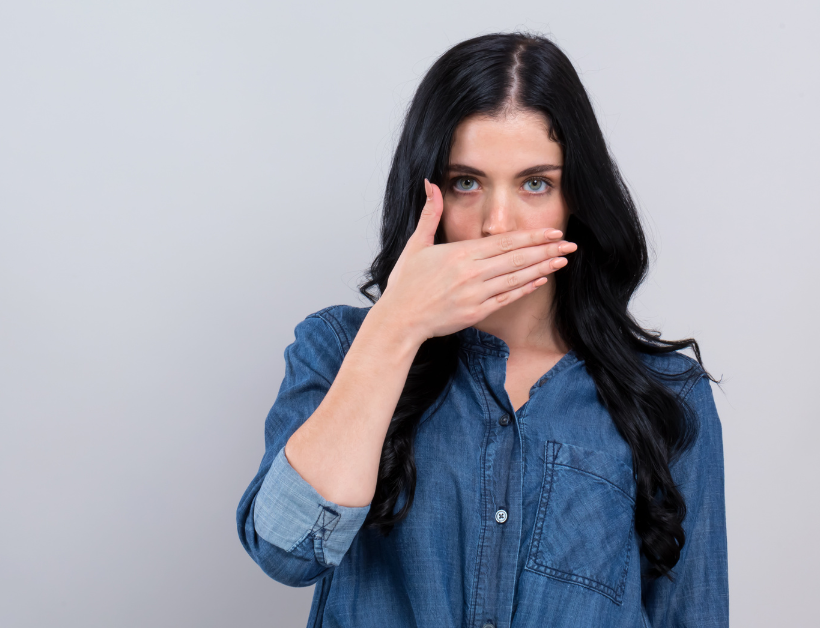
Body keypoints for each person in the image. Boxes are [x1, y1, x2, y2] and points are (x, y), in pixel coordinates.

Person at [236, 32, 728, 628]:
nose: (499, 224)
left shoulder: (667, 395)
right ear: (427, 190)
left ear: (577, 195)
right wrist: (396, 326)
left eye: (535, 183)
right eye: (467, 182)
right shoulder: (338, 349)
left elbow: (691, 616)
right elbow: (286, 551)